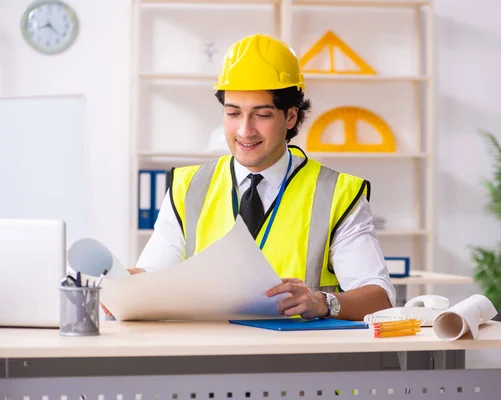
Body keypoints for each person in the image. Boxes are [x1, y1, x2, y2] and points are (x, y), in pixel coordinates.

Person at [133, 33, 396, 321]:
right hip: (208, 352)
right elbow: (152, 279)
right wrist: (122, 287)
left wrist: (323, 302)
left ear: (291, 117)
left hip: (302, 359)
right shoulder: (187, 188)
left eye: (262, 115)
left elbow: (379, 298)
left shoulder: (338, 193)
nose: (245, 131)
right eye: (233, 113)